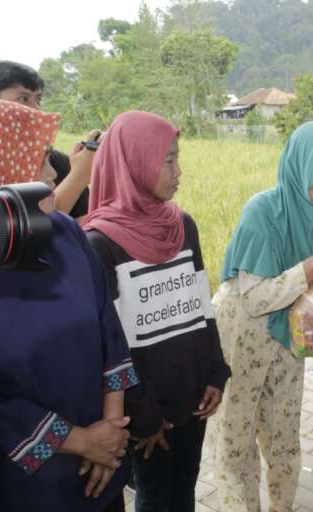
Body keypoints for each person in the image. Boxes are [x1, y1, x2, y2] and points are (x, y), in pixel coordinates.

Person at [0, 99, 136, 511]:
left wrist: (111, 434)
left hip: (101, 462)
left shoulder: (65, 231)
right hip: (24, 480)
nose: (54, 174)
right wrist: (83, 442)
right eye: (38, 161)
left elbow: (109, 329)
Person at [211, 121, 313, 512]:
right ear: (300, 165)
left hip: (287, 339)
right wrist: (312, 266)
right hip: (243, 333)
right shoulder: (264, 211)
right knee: (236, 439)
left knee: (283, 438)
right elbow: (256, 298)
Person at [83, 111, 230, 512]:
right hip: (145, 411)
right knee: (153, 496)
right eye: (168, 160)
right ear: (135, 163)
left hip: (193, 396)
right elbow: (111, 346)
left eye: (177, 157)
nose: (178, 170)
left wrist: (216, 372)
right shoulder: (100, 244)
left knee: (185, 488)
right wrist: (144, 415)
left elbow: (201, 304)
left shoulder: (182, 225)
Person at [0, 60, 97, 219]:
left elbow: (81, 230)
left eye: (38, 100)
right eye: (23, 99)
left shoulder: (60, 164)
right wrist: (79, 176)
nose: (36, 110)